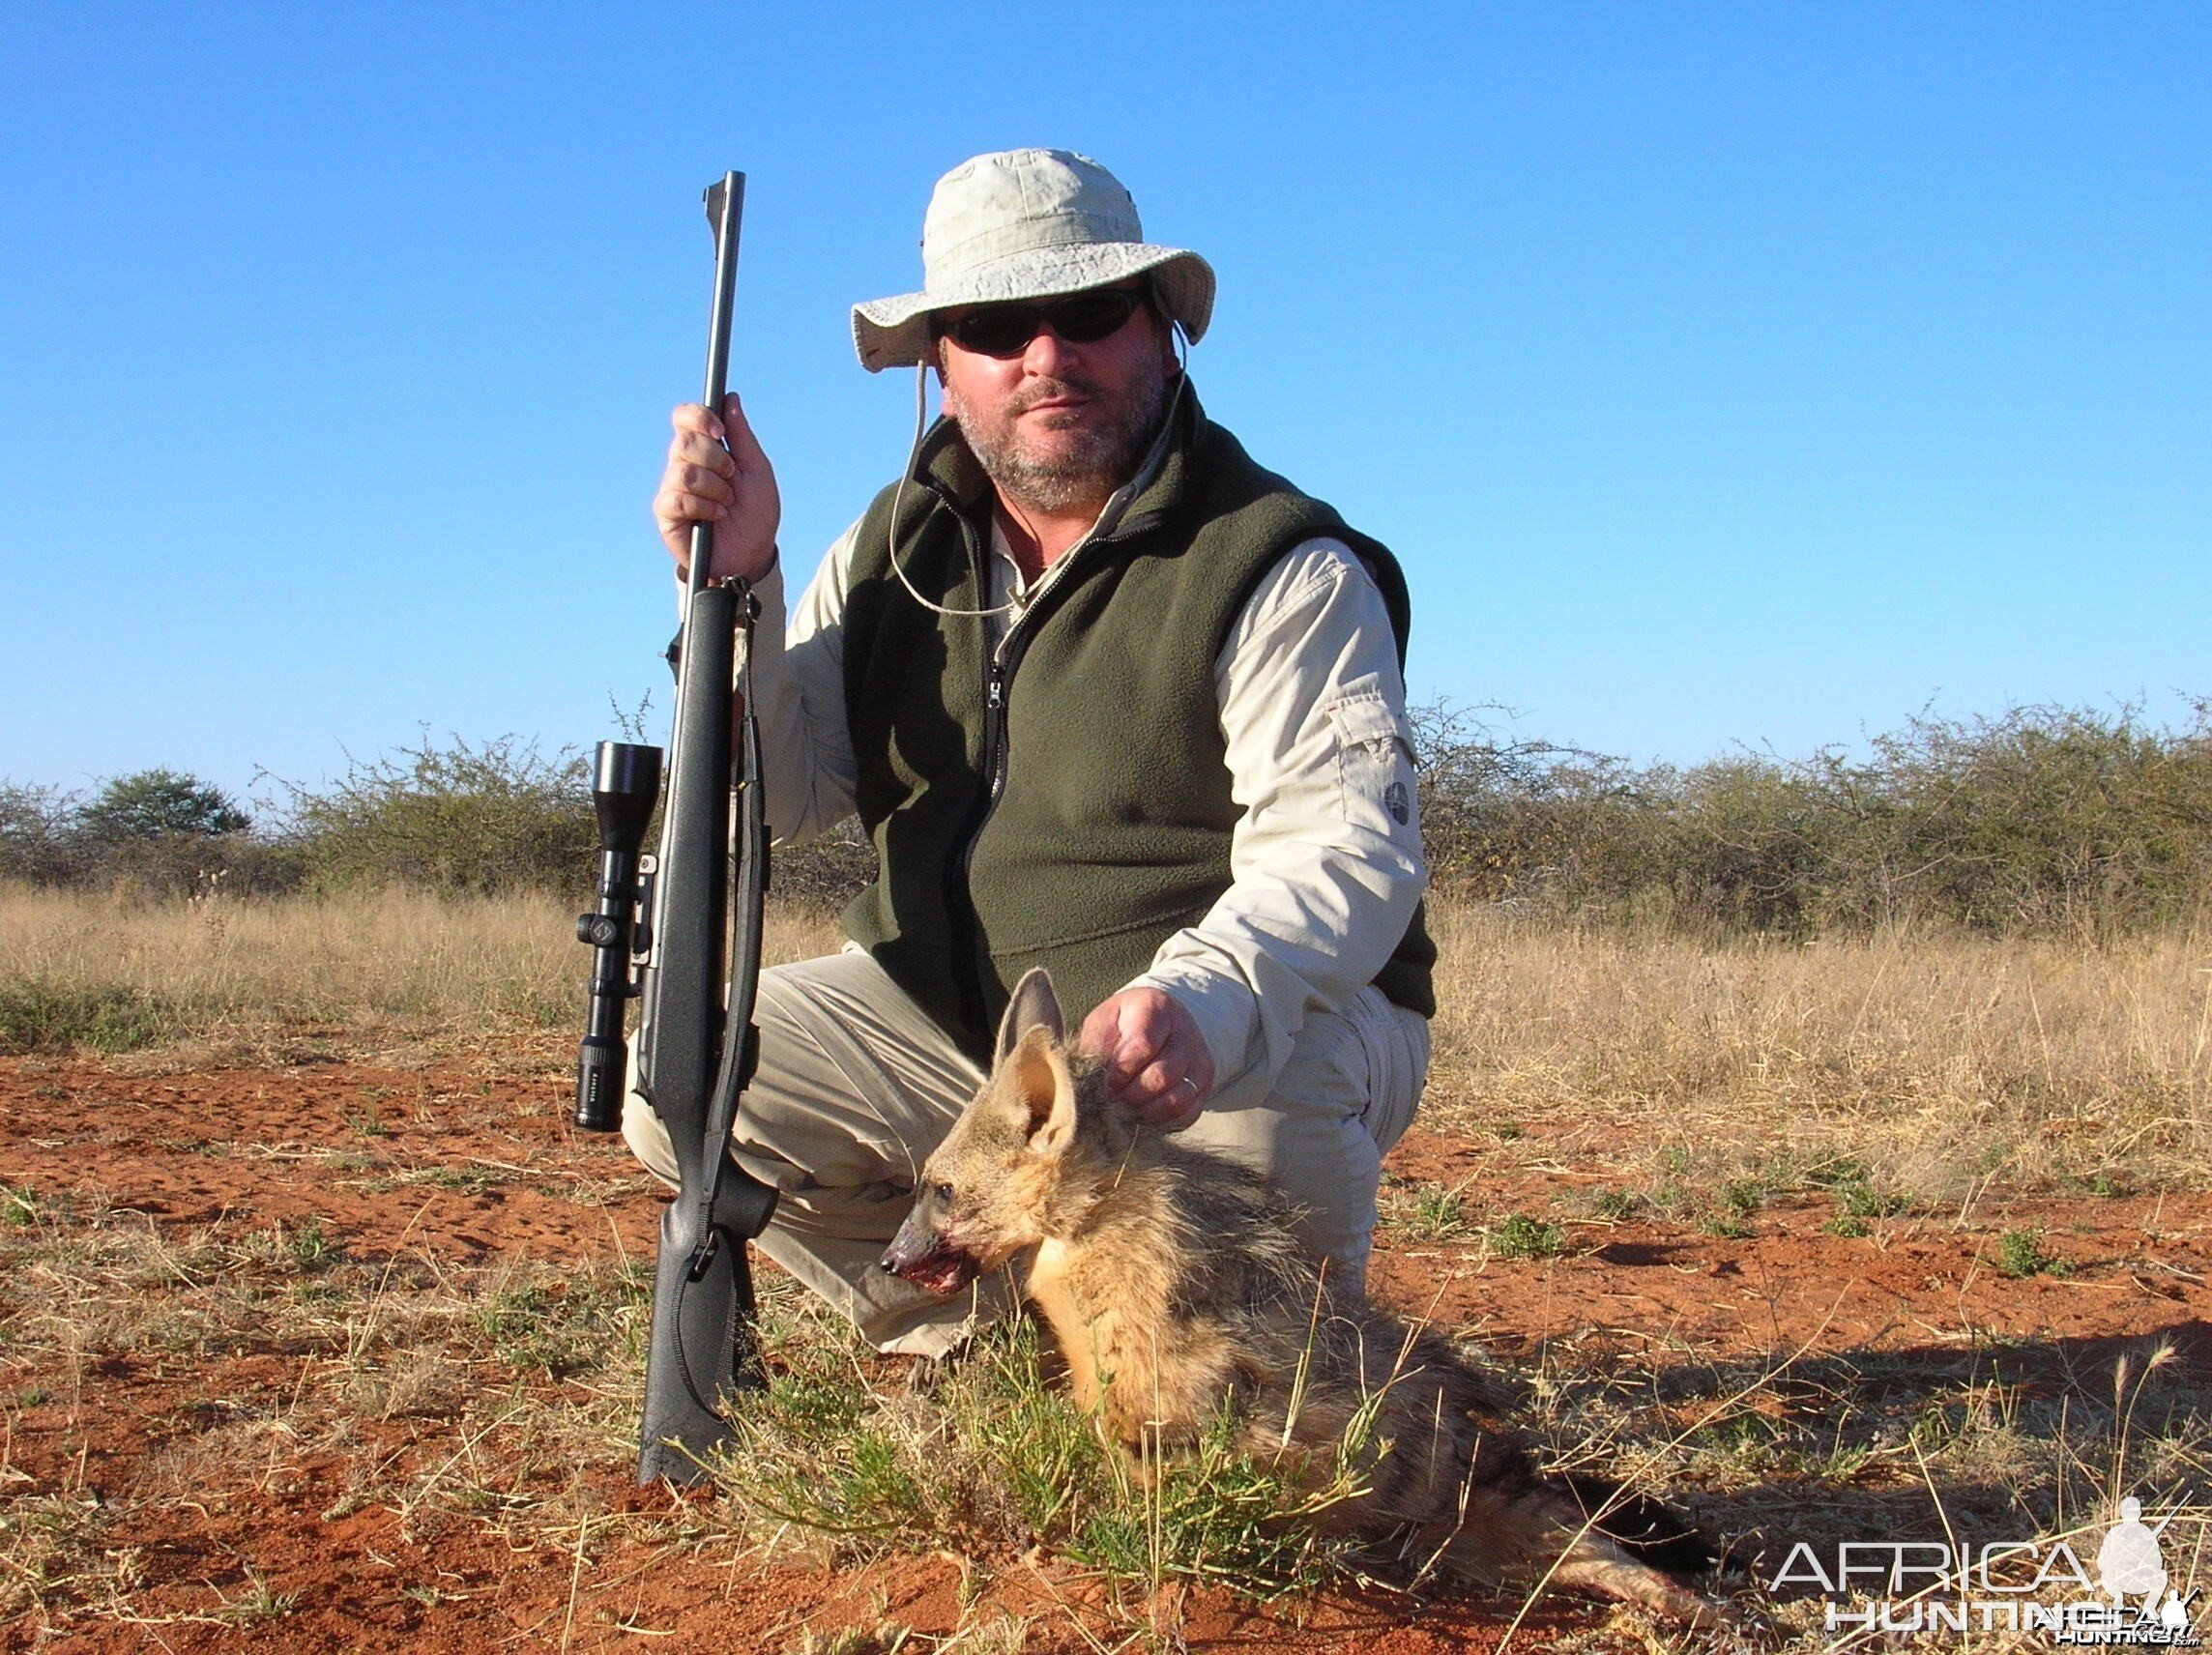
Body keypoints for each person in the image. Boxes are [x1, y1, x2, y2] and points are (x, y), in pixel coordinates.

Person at [626, 148, 1436, 1356]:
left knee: (1260, 1164)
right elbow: (785, 798)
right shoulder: (884, 549)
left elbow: (1343, 851)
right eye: (998, 324)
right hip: (965, 1021)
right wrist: (735, 586)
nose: (1045, 355)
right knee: (690, 1073)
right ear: (940, 368)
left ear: (1159, 332)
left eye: (1089, 314)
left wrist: (1198, 1002)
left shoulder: (1279, 563)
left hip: (1225, 1015)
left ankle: (1229, 1375)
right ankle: (996, 1349)